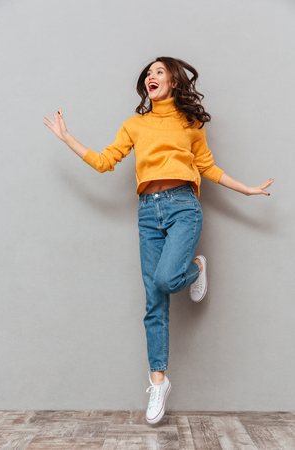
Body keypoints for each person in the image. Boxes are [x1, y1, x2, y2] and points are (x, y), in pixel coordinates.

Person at [44, 56, 273, 425]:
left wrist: (245, 189)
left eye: (159, 72)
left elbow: (207, 166)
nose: (151, 76)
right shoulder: (135, 125)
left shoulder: (190, 123)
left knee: (166, 280)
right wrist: (67, 137)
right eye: (148, 72)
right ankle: (159, 381)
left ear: (174, 82)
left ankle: (196, 267)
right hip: (148, 213)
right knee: (154, 300)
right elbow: (105, 162)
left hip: (184, 206)